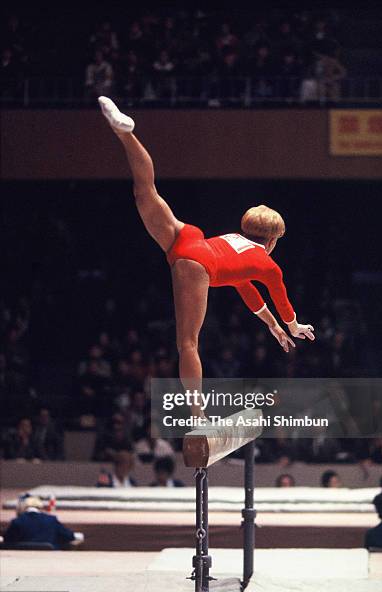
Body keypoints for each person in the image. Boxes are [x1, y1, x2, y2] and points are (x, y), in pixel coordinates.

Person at [98, 96, 315, 417]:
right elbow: (280, 298)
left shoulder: (236, 241)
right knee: (188, 344)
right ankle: (198, 416)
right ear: (271, 241)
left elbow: (245, 288)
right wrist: (292, 325)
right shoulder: (267, 263)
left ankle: (124, 133)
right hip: (196, 264)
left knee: (146, 192)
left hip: (191, 237)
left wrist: (272, 326)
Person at [3, 495, 83, 550]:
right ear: (40, 507)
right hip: (50, 561)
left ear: (22, 508)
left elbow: (7, 541)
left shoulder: (17, 522)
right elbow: (69, 536)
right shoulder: (51, 520)